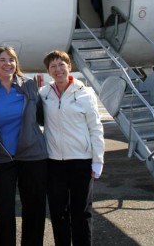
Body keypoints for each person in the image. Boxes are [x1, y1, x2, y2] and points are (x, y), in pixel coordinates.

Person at [0, 46, 48, 246]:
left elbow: (42, 115)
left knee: (34, 209)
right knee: (4, 211)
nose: (7, 63)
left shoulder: (28, 85)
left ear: (16, 63)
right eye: (2, 60)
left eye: (11, 59)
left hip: (33, 155)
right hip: (3, 157)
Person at [39, 50, 104, 246]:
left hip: (81, 161)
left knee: (81, 213)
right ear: (48, 71)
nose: (58, 70)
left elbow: (96, 128)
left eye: (61, 65)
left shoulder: (85, 93)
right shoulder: (44, 94)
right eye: (53, 66)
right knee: (58, 213)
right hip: (54, 162)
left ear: (70, 67)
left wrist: (98, 159)